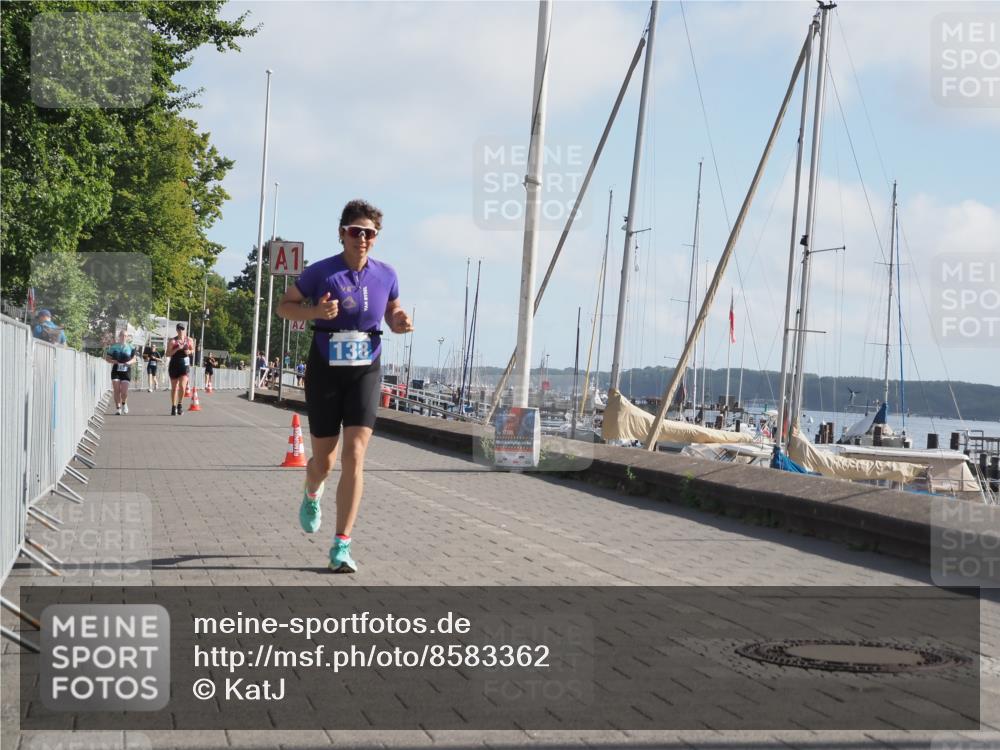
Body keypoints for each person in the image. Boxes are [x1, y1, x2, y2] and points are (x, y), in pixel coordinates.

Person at [278, 199, 413, 573]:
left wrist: (400, 320)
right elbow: (284, 306)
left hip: (365, 369)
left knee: (355, 454)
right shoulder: (322, 272)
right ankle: (311, 490)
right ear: (342, 234)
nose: (363, 239)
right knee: (324, 460)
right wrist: (315, 313)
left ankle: (341, 546)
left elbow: (393, 310)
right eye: (356, 232)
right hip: (325, 368)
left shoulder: (387, 273)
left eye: (370, 233)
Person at [104, 329, 137, 415]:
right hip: (116, 370)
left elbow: (134, 359)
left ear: (127, 337)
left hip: (126, 370)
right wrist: (115, 362)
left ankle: (124, 404)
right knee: (116, 389)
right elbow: (107, 358)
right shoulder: (114, 347)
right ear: (119, 337)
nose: (123, 337)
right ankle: (118, 408)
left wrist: (129, 363)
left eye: (125, 336)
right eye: (122, 335)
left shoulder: (131, 347)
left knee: (124, 392)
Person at [166, 323, 194, 415]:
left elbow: (192, 350)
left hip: (184, 365)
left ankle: (180, 405)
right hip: (174, 364)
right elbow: (167, 354)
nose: (181, 330)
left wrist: (189, 351)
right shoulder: (173, 341)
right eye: (179, 329)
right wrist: (177, 349)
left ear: (185, 330)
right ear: (177, 330)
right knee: (174, 388)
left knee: (182, 386)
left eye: (182, 329)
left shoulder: (189, 340)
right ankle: (173, 407)